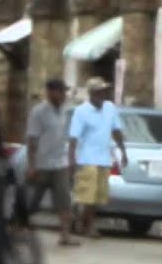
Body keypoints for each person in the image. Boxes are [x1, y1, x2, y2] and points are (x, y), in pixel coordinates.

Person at [69, 78, 127, 239]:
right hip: (87, 159)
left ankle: (81, 221)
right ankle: (89, 226)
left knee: (97, 197)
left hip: (104, 158)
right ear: (92, 93)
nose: (103, 95)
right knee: (88, 195)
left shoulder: (110, 108)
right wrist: (71, 159)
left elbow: (116, 131)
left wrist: (123, 151)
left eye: (104, 91)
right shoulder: (81, 111)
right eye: (99, 92)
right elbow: (74, 137)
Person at [25, 79, 78, 247]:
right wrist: (32, 165)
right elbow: (32, 139)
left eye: (64, 91)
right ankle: (17, 227)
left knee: (64, 199)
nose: (63, 95)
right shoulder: (38, 111)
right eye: (60, 91)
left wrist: (71, 160)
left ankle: (65, 235)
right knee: (33, 200)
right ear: (50, 92)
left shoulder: (66, 111)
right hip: (42, 163)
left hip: (59, 163)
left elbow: (69, 137)